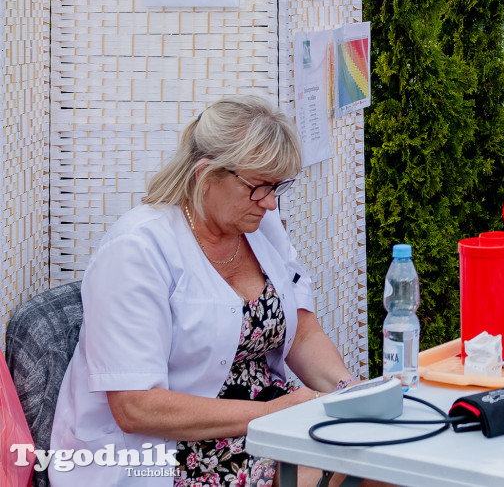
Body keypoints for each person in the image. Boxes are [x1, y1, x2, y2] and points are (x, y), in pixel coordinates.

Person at [50, 96, 357, 486]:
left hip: (263, 424)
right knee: (360, 473)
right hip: (173, 451)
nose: (268, 203)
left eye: (277, 187)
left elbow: (302, 332)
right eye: (257, 187)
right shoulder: (136, 251)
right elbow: (135, 407)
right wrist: (277, 414)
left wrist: (348, 393)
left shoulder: (259, 226)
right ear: (205, 174)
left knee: (375, 457)